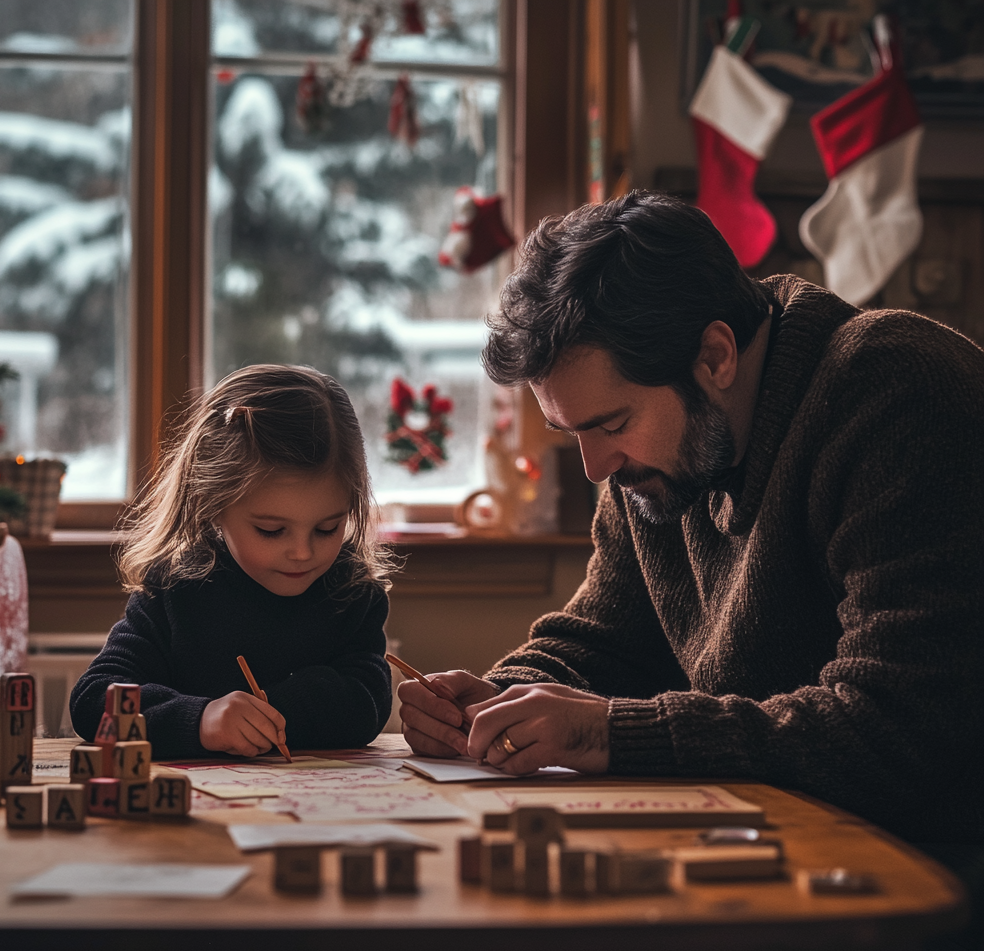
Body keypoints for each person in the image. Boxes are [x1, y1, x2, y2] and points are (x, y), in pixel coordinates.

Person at [399, 189, 984, 850]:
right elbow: (607, 642)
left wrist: (604, 732)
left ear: (715, 358)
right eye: (572, 434)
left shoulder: (900, 396)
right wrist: (501, 699)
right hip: (781, 842)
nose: (595, 468)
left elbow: (895, 731)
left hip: (936, 866)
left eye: (612, 424)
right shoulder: (656, 460)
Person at [70, 364, 393, 759]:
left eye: (327, 528)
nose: (303, 553)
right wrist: (202, 720)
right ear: (214, 507)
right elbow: (93, 700)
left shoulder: (351, 589)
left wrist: (272, 712)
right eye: (272, 530)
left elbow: (367, 703)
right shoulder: (176, 586)